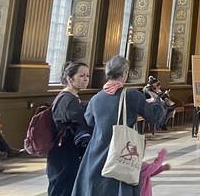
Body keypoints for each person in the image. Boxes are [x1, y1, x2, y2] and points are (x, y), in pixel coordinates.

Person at [71, 55, 165, 196]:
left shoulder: (96, 98)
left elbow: (89, 121)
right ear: (125, 73)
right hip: (121, 155)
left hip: (96, 154)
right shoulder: (131, 95)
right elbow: (155, 117)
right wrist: (157, 98)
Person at [48, 62, 91, 196]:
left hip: (64, 151)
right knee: (63, 188)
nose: (86, 79)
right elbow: (81, 123)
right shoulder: (68, 99)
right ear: (69, 78)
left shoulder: (70, 97)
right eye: (81, 76)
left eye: (87, 76)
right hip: (64, 153)